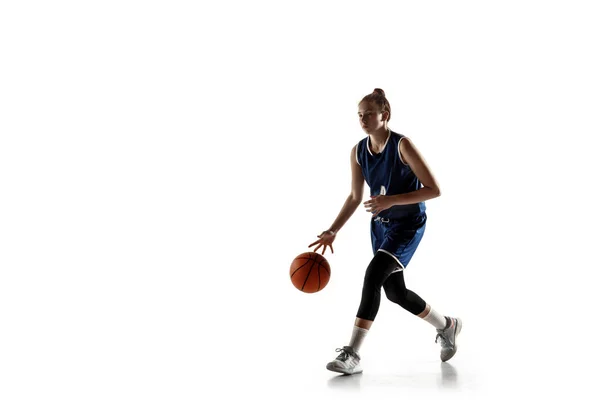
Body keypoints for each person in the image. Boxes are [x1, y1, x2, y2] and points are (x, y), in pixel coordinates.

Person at [308, 88, 462, 375]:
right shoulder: (358, 151)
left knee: (373, 274)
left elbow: (434, 189)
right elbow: (355, 197)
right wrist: (333, 230)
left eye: (368, 114)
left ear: (384, 115)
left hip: (407, 225)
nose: (362, 119)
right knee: (395, 292)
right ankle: (447, 325)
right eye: (359, 114)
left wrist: (390, 200)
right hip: (381, 226)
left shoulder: (402, 145)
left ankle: (352, 354)